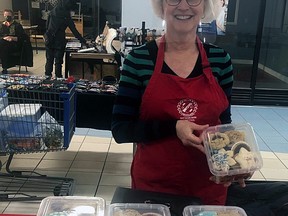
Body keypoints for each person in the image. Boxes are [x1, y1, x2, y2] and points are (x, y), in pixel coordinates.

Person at [111, 0, 252, 205]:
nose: (184, 6)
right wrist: (174, 127)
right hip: (153, 189)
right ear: (161, 5)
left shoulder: (220, 61)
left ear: (204, 6)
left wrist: (236, 164)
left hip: (208, 187)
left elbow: (224, 125)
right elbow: (121, 129)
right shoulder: (139, 60)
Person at [44, 0, 86, 78]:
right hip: (59, 40)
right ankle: (58, 78)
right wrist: (83, 40)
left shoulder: (52, 12)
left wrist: (47, 35)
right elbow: (74, 31)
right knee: (58, 61)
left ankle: (47, 78)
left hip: (49, 38)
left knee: (49, 59)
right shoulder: (66, 15)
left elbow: (47, 26)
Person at [0, 9, 25, 74]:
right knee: (2, 43)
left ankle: (4, 67)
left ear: (12, 16)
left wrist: (12, 38)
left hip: (14, 45)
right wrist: (4, 38)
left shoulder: (17, 25)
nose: (7, 17)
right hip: (3, 43)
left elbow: (21, 38)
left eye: (8, 16)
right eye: (5, 16)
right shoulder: (2, 25)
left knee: (3, 45)